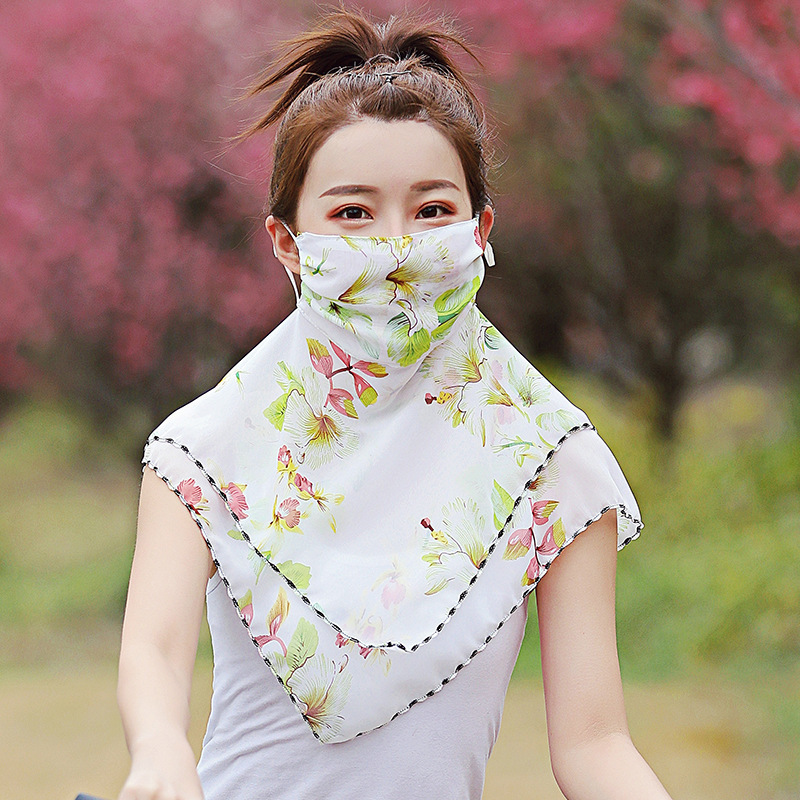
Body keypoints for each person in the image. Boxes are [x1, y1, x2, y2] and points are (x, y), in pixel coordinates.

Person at [116, 8, 675, 800]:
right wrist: (157, 752)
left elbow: (595, 743)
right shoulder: (204, 451)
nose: (396, 246)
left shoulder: (550, 462)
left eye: (431, 210)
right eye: (352, 212)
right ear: (288, 242)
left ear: (479, 228)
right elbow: (155, 652)